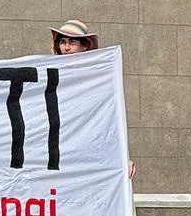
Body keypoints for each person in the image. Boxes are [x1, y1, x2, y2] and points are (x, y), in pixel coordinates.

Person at [49, 19, 136, 180]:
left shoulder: (98, 77)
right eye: (62, 42)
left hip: (86, 150)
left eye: (72, 42)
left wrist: (122, 157)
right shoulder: (48, 75)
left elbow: (109, 121)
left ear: (84, 46)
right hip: (58, 150)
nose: (66, 47)